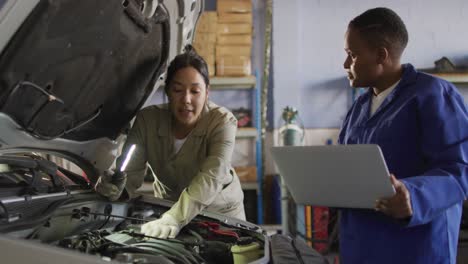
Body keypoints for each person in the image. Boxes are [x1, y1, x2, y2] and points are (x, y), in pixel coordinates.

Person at [339, 7, 468, 264]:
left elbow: (460, 169)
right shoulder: (359, 107)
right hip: (362, 247)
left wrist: (413, 195)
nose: (345, 65)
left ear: (381, 55)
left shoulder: (433, 95)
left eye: (352, 56)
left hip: (416, 249)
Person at [95, 45, 246, 239]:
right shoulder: (147, 121)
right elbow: (128, 173)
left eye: (195, 91)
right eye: (177, 90)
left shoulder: (223, 122)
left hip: (220, 214)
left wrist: (174, 218)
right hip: (168, 210)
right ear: (167, 91)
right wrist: (115, 188)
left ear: (207, 92)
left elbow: (212, 177)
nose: (186, 100)